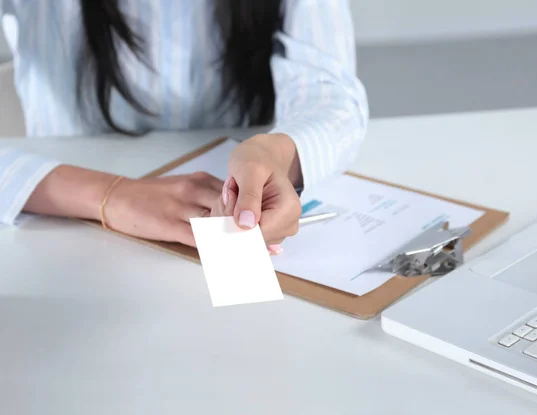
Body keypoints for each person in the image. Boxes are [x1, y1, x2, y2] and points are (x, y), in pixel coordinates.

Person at [0, 0, 368, 254]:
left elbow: (330, 90)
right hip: (58, 228)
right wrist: (110, 196)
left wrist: (278, 153)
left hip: (223, 197)